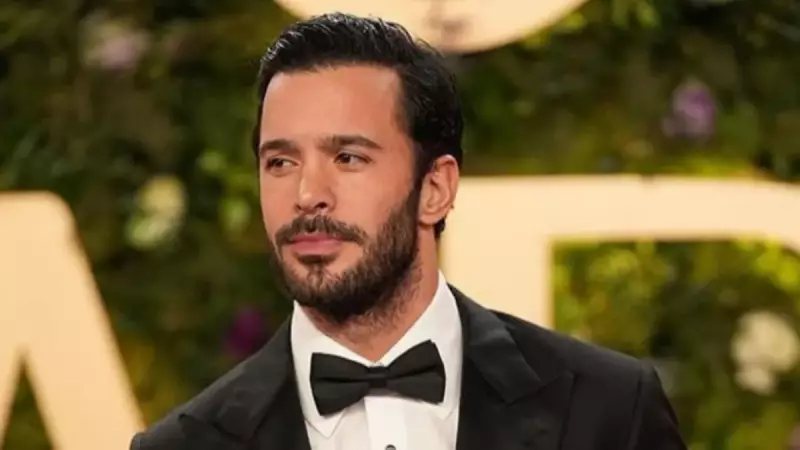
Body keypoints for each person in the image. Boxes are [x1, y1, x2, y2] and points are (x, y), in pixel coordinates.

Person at [130, 12, 686, 450]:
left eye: (347, 157)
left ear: (435, 188)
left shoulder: (608, 411)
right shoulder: (184, 445)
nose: (306, 193)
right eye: (280, 162)